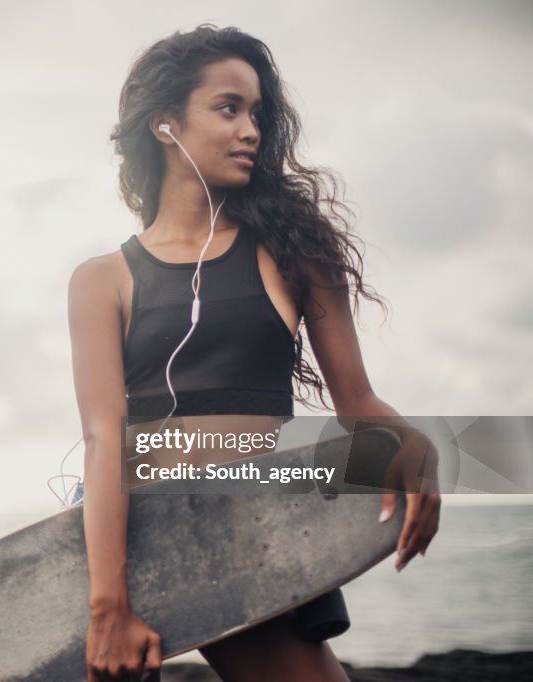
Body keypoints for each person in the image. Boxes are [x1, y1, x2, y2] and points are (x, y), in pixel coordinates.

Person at [66, 25, 442, 682]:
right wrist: (109, 607)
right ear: (164, 125)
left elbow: (356, 401)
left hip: (258, 525)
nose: (251, 131)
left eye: (258, 114)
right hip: (147, 528)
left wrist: (418, 449)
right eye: (228, 108)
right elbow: (104, 439)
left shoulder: (293, 251)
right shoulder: (102, 280)